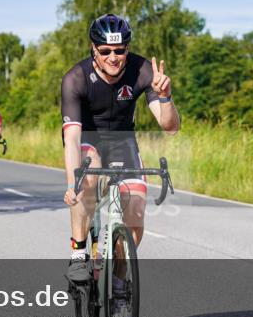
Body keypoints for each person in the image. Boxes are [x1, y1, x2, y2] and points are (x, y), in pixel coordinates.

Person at [61, 14, 179, 283]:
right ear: (94, 49)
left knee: (135, 212)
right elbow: (72, 139)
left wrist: (165, 98)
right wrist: (72, 183)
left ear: (127, 48)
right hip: (88, 140)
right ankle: (78, 253)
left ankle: (118, 282)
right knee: (86, 178)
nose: (113, 57)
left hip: (123, 142)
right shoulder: (76, 78)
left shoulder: (142, 70)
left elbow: (170, 127)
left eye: (119, 50)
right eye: (105, 51)